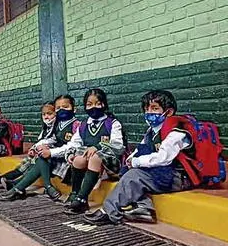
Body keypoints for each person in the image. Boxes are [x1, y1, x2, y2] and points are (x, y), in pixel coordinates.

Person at [83, 90, 193, 225]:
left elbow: (164, 158)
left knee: (134, 176)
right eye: (147, 109)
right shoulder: (152, 131)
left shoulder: (176, 132)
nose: (149, 113)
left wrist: (137, 162)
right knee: (127, 172)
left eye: (154, 108)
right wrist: (131, 160)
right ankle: (144, 209)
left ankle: (109, 211)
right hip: (163, 174)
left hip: (178, 177)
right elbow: (140, 148)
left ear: (168, 112)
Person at [0, 95, 78, 201]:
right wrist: (36, 147)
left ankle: (18, 186)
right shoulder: (59, 125)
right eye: (58, 108)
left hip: (70, 158)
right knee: (41, 155)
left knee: (42, 158)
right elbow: (51, 139)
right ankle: (42, 186)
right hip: (57, 156)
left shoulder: (76, 125)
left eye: (65, 107)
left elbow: (72, 146)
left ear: (74, 109)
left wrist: (50, 152)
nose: (61, 110)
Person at [64, 89, 125, 214]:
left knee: (95, 157)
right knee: (78, 159)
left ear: (104, 104)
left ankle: (82, 198)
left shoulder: (112, 123)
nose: (94, 107)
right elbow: (74, 142)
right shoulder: (83, 125)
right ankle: (75, 193)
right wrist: (71, 153)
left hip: (110, 164)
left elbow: (118, 146)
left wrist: (98, 147)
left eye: (97, 103)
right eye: (89, 104)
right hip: (89, 163)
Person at [0, 102, 56, 190]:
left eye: (49, 113)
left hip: (51, 156)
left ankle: (10, 183)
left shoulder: (57, 127)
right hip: (42, 153)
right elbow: (41, 141)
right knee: (23, 166)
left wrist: (38, 148)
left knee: (30, 166)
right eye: (44, 114)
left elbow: (51, 141)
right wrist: (33, 149)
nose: (46, 117)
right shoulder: (46, 127)